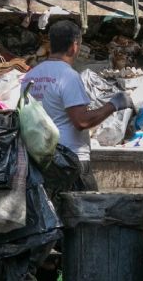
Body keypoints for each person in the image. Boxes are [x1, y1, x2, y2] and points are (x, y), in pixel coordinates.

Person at [21, 20, 134, 191]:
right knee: (86, 213)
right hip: (70, 161)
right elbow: (82, 122)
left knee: (53, 213)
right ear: (74, 46)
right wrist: (114, 104)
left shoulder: (31, 75)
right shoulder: (68, 77)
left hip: (40, 158)